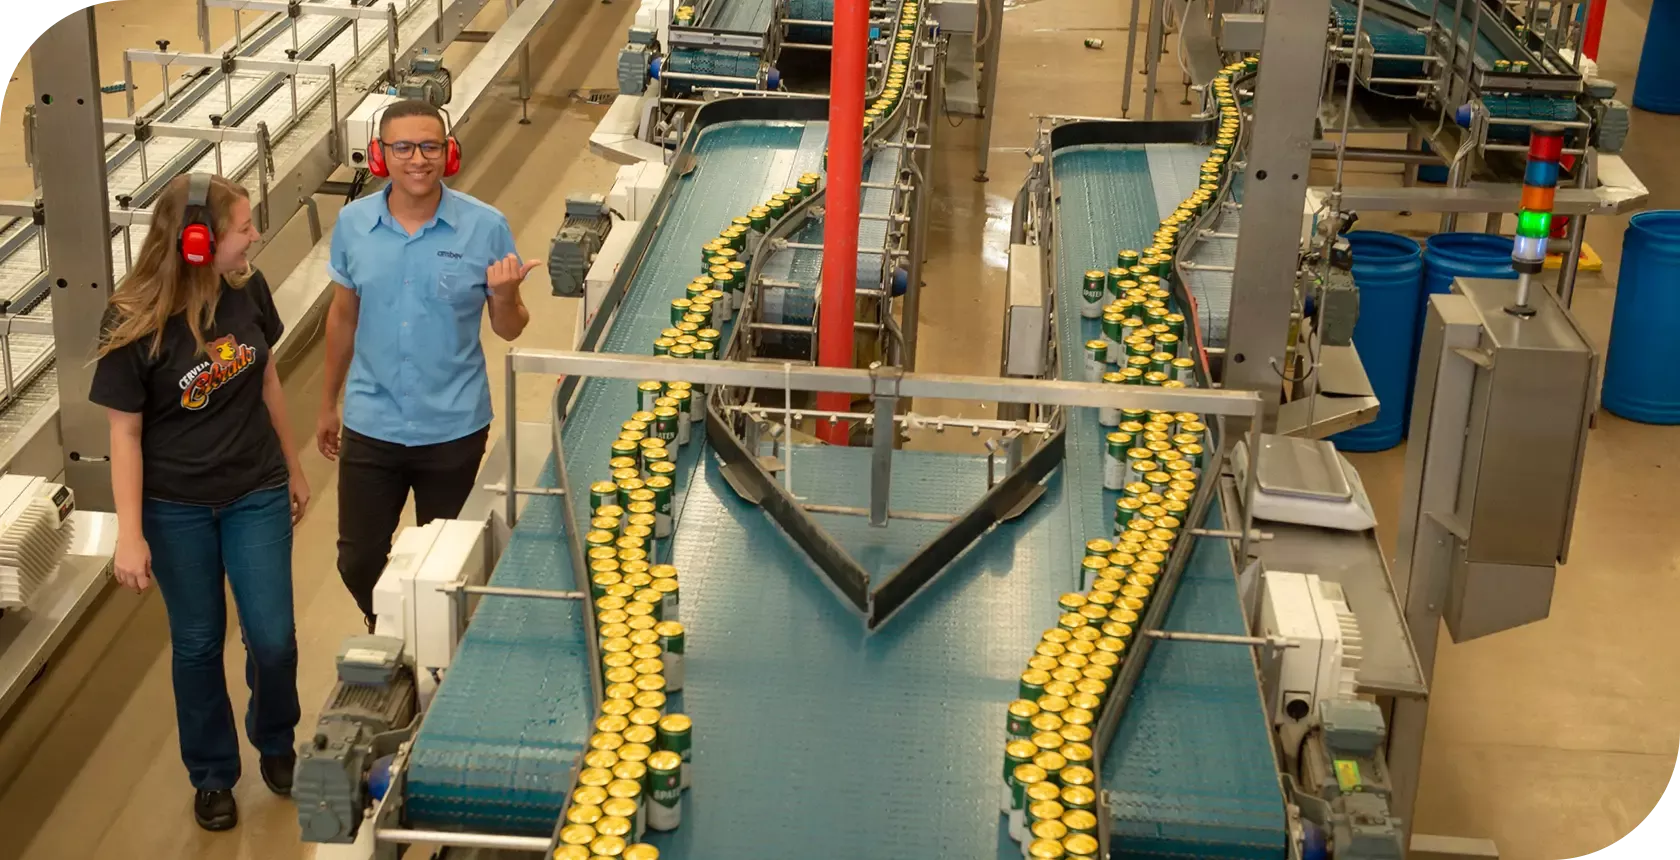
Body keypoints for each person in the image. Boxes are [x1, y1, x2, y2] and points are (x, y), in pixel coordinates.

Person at [89, 173, 309, 831]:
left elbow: (267, 374)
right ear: (195, 242)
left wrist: (293, 467)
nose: (255, 238)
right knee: (197, 643)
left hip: (256, 490)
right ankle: (212, 774)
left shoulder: (248, 289)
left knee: (273, 638)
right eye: (244, 228)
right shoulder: (132, 320)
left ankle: (275, 738)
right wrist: (130, 535)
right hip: (176, 507)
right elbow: (124, 434)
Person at [316, 99, 539, 626]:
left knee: (446, 564)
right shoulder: (353, 225)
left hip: (453, 426)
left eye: (430, 146)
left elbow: (509, 327)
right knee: (358, 559)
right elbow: (343, 317)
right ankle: (390, 628)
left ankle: (433, 651)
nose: (418, 159)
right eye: (403, 147)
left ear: (449, 153)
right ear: (380, 156)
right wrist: (328, 402)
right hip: (373, 422)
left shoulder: (485, 227)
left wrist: (505, 295)